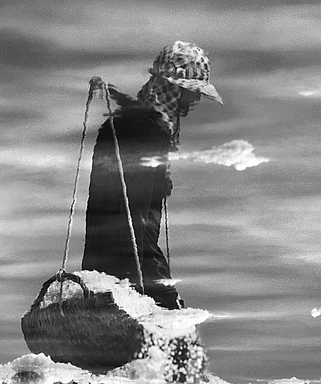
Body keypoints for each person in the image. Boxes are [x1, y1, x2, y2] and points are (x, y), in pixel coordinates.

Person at [81, 42, 222, 309]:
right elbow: (136, 223)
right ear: (174, 89)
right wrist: (165, 292)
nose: (196, 100)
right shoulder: (150, 131)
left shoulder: (119, 125)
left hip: (103, 267)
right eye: (192, 91)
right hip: (129, 270)